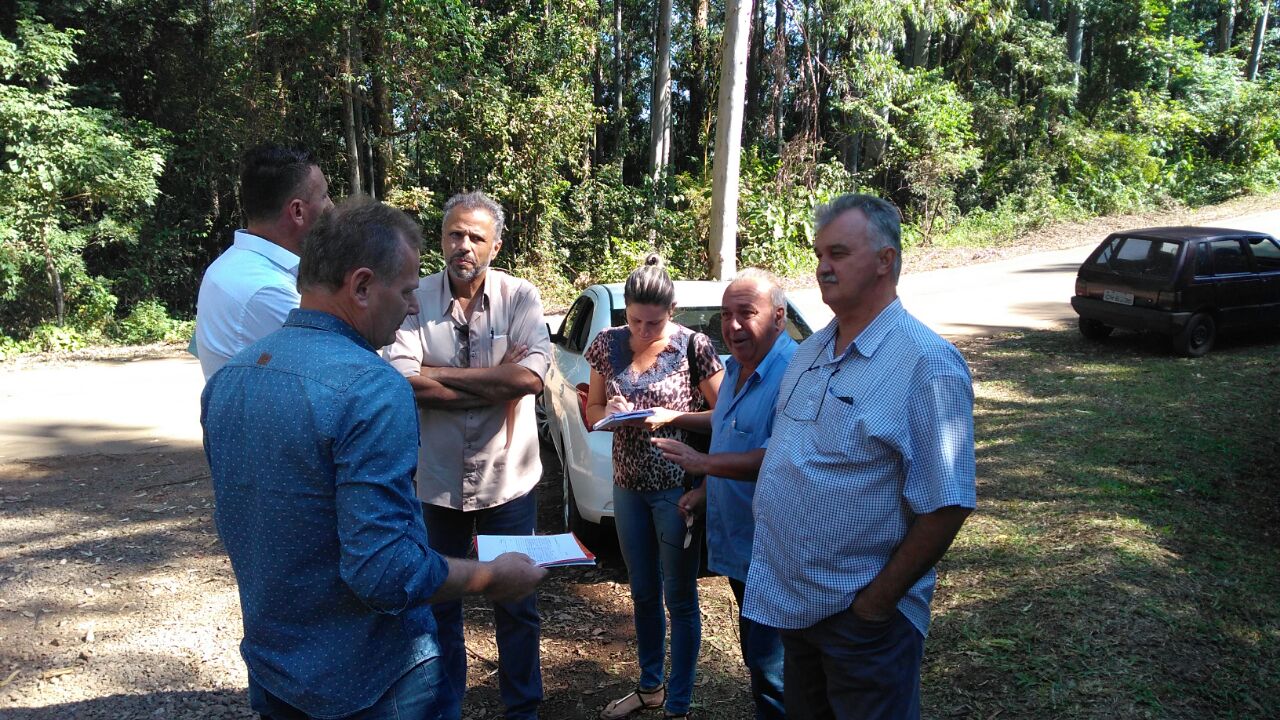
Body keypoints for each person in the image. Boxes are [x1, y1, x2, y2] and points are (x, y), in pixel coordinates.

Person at [201, 196, 546, 720]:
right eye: (406, 291)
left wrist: (434, 374)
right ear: (361, 286)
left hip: (275, 669)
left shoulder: (230, 379)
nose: (413, 306)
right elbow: (385, 572)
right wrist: (493, 579)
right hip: (373, 680)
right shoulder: (371, 388)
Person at [744, 194, 976, 719]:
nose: (823, 267)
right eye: (820, 254)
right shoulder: (812, 349)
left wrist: (874, 605)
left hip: (863, 622)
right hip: (796, 606)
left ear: (884, 260)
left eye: (840, 253)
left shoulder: (927, 363)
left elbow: (947, 504)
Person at [382, 191, 549, 720]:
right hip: (436, 482)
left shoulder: (520, 296)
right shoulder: (415, 297)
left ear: (495, 245)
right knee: (439, 601)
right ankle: (445, 706)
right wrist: (495, 385)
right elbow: (404, 380)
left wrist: (440, 373)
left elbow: (530, 379)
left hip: (508, 479)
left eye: (477, 236)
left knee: (517, 602)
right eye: (456, 234)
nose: (464, 245)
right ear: (442, 239)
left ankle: (523, 709)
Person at [584, 254, 724, 720]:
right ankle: (649, 687)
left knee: (679, 595)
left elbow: (726, 416)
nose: (644, 329)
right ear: (625, 310)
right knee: (641, 590)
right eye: (635, 320)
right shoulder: (606, 343)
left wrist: (675, 417)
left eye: (655, 321)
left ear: (673, 311)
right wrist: (613, 409)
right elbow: (592, 412)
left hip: (676, 490)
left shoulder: (694, 346)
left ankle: (679, 704)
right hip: (627, 486)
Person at [652, 268, 795, 720]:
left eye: (746, 314)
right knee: (759, 659)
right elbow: (727, 426)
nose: (732, 326)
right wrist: (668, 419)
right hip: (739, 546)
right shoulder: (733, 369)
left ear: (778, 317)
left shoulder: (793, 375)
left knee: (776, 673)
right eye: (726, 315)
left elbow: (779, 456)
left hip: (776, 550)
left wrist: (703, 466)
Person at [194, 143, 334, 381]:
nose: (331, 205)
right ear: (297, 211)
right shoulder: (269, 290)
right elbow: (345, 372)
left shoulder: (230, 264)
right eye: (324, 196)